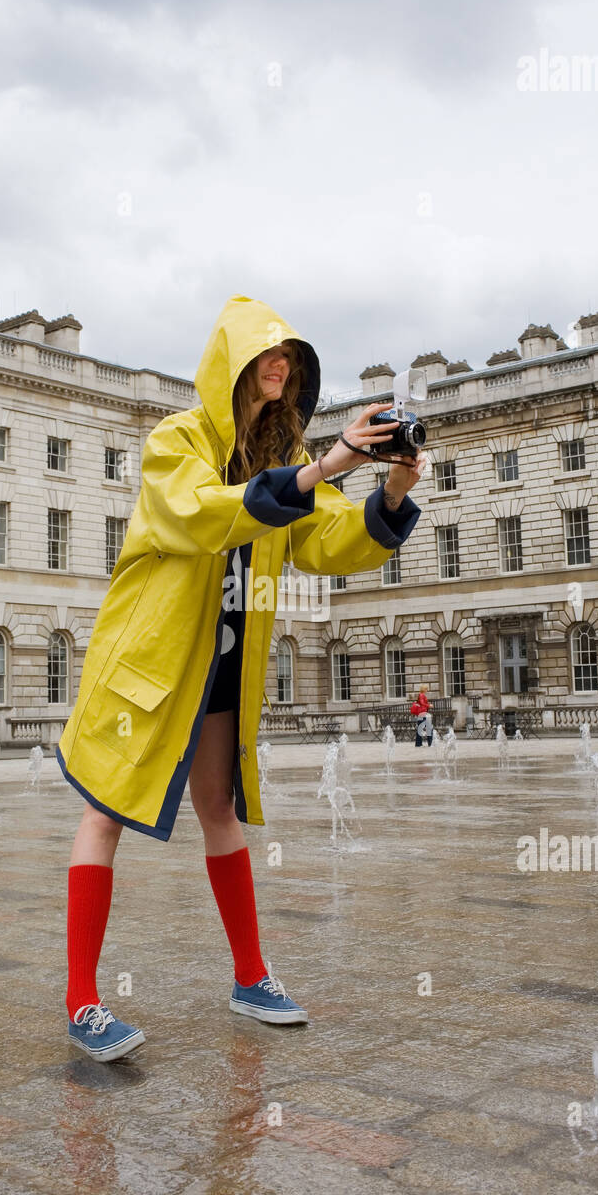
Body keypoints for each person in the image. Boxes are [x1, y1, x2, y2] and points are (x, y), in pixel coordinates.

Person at [56, 294, 423, 1061]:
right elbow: (199, 515)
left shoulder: (282, 465)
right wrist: (322, 467)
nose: (278, 367)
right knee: (107, 812)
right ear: (233, 365)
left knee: (217, 808)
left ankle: (251, 977)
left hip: (221, 668)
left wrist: (389, 490)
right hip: (149, 669)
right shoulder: (175, 441)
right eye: (265, 356)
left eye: (287, 361)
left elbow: (328, 540)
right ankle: (83, 1001)